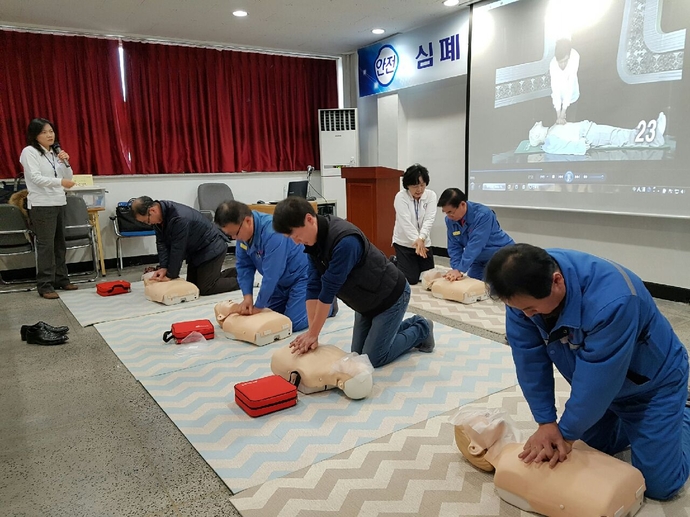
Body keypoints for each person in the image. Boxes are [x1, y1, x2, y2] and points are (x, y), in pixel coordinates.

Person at [484, 243, 690, 501]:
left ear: (557, 281)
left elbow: (599, 379)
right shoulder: (521, 292)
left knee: (660, 486)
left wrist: (567, 433)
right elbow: (529, 359)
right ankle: (641, 427)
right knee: (593, 449)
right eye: (520, 310)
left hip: (652, 386)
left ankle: (681, 412)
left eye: (531, 309)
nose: (526, 316)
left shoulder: (614, 300)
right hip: (606, 389)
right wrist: (546, 422)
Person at [272, 196, 434, 368]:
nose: (296, 242)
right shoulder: (313, 242)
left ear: (309, 219)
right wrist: (313, 333)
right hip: (365, 304)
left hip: (391, 297)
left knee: (373, 358)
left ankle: (421, 328)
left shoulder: (344, 240)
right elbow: (313, 286)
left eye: (296, 235)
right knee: (358, 356)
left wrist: (313, 333)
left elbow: (328, 291)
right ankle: (394, 330)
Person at [214, 200, 335, 332]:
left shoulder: (272, 233)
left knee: (291, 323)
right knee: (272, 318)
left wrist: (258, 305)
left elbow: (271, 274)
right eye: (230, 235)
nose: (234, 238)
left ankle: (329, 306)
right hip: (280, 283)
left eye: (235, 233)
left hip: (301, 278)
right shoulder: (242, 236)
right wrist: (247, 297)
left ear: (248, 221)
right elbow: (244, 267)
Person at [19, 118, 78, 299]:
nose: (49, 135)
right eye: (44, 132)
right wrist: (61, 181)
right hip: (41, 204)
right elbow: (36, 178)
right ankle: (45, 285)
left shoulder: (54, 153)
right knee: (46, 246)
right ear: (35, 135)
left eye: (51, 131)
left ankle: (62, 279)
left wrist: (66, 161)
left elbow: (68, 176)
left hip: (59, 201)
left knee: (60, 245)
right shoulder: (29, 152)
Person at [131, 196, 238, 296]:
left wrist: (170, 275)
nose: (148, 224)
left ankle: (244, 279)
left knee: (206, 288)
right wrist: (164, 267)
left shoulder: (179, 217)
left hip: (212, 247)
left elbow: (178, 248)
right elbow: (161, 243)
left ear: (152, 211)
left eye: (146, 221)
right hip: (196, 251)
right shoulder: (159, 219)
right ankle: (238, 271)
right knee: (193, 286)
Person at [437, 188, 514, 281]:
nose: (449, 216)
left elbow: (475, 244)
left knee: (491, 289)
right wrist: (456, 269)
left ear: (462, 204)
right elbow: (453, 246)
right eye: (446, 213)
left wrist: (460, 269)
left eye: (450, 212)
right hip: (478, 259)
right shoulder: (450, 220)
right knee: (472, 285)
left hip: (500, 256)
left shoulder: (483, 215)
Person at [529, 112, 667, 155]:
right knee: (617, 136)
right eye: (534, 128)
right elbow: (565, 148)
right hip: (588, 134)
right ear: (536, 136)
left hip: (588, 130)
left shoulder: (551, 132)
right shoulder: (549, 142)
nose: (536, 124)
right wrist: (581, 146)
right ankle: (655, 136)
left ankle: (643, 134)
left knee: (617, 135)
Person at [392, 164, 438, 285]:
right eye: (415, 186)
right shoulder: (401, 197)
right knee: (411, 279)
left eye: (422, 185)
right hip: (405, 243)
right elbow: (405, 222)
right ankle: (394, 261)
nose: (419, 190)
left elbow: (429, 219)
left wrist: (421, 238)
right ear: (407, 185)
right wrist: (416, 240)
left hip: (424, 243)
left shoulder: (431, 196)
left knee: (428, 278)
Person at [549, 39, 580, 125]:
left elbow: (570, 85)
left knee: (570, 124)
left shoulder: (575, 56)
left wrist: (563, 112)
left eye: (565, 61)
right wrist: (559, 115)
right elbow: (555, 90)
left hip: (572, 97)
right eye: (560, 62)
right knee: (558, 125)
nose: (563, 65)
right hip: (558, 100)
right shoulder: (553, 65)